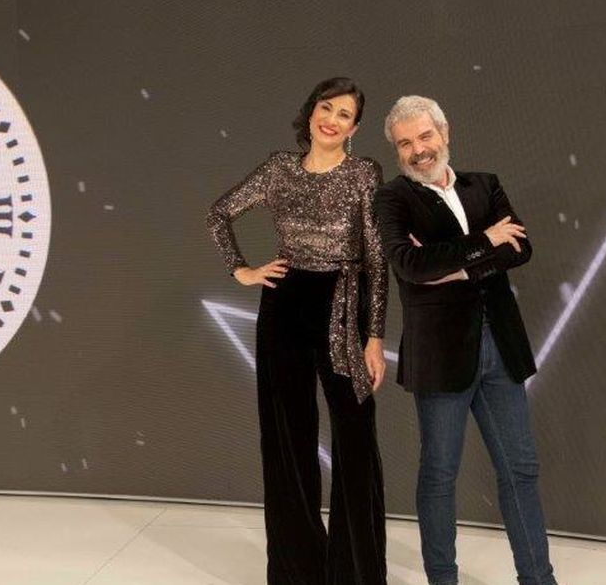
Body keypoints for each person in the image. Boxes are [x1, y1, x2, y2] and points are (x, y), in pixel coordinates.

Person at [206, 77, 389, 585]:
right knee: (288, 438)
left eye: (344, 115)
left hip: (342, 306)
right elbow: (219, 214)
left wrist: (374, 337)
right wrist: (241, 270)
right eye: (325, 108)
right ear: (310, 112)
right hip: (284, 307)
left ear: (355, 128)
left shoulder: (363, 173)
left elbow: (377, 260)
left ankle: (355, 574)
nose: (331, 120)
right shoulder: (278, 169)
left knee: (354, 439)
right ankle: (297, 572)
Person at [373, 95, 558, 585]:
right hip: (440, 355)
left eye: (425, 136)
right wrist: (484, 241)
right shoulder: (392, 198)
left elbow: (520, 249)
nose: (418, 150)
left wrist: (454, 266)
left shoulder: (485, 184)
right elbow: (411, 266)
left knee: (521, 469)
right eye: (405, 143)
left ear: (445, 132)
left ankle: (538, 579)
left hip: (501, 347)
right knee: (439, 476)